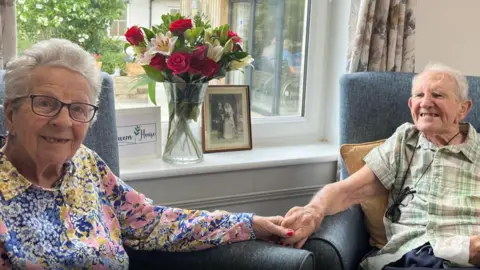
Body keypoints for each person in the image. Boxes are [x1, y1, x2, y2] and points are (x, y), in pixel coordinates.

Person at [0, 38, 294, 269]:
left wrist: (247, 224)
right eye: (45, 103)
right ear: (11, 114)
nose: (63, 121)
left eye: (78, 109)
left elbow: (152, 222)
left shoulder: (87, 165)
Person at [280, 63, 480, 269]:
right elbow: (349, 190)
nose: (426, 103)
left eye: (438, 95)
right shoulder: (405, 141)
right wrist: (314, 210)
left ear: (463, 108)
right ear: (411, 105)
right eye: (419, 95)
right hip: (412, 256)